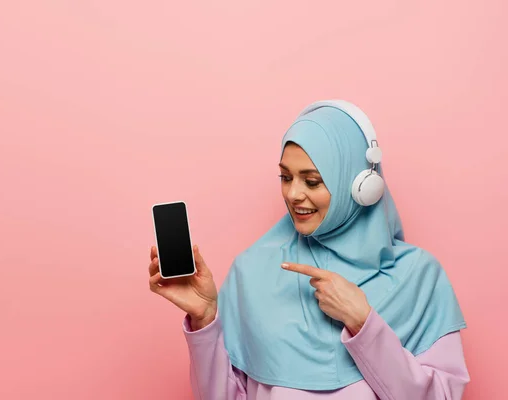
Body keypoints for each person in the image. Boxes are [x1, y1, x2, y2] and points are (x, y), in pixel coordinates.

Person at [147, 100, 470, 399]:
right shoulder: (253, 271)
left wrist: (363, 322)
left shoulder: (420, 277)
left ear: (361, 186)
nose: (293, 194)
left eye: (312, 181)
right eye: (285, 177)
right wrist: (204, 319)